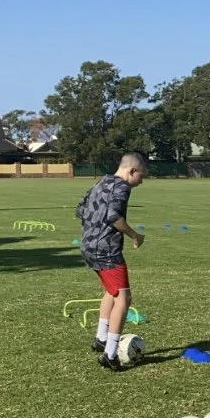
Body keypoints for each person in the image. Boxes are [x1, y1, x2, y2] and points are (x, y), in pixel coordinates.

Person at [75, 153, 146, 369]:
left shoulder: (102, 182)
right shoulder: (121, 187)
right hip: (106, 249)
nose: (141, 182)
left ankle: (101, 338)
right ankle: (111, 353)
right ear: (132, 171)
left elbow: (80, 209)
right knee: (124, 298)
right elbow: (113, 217)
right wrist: (135, 235)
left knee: (111, 291)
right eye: (141, 176)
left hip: (88, 245)